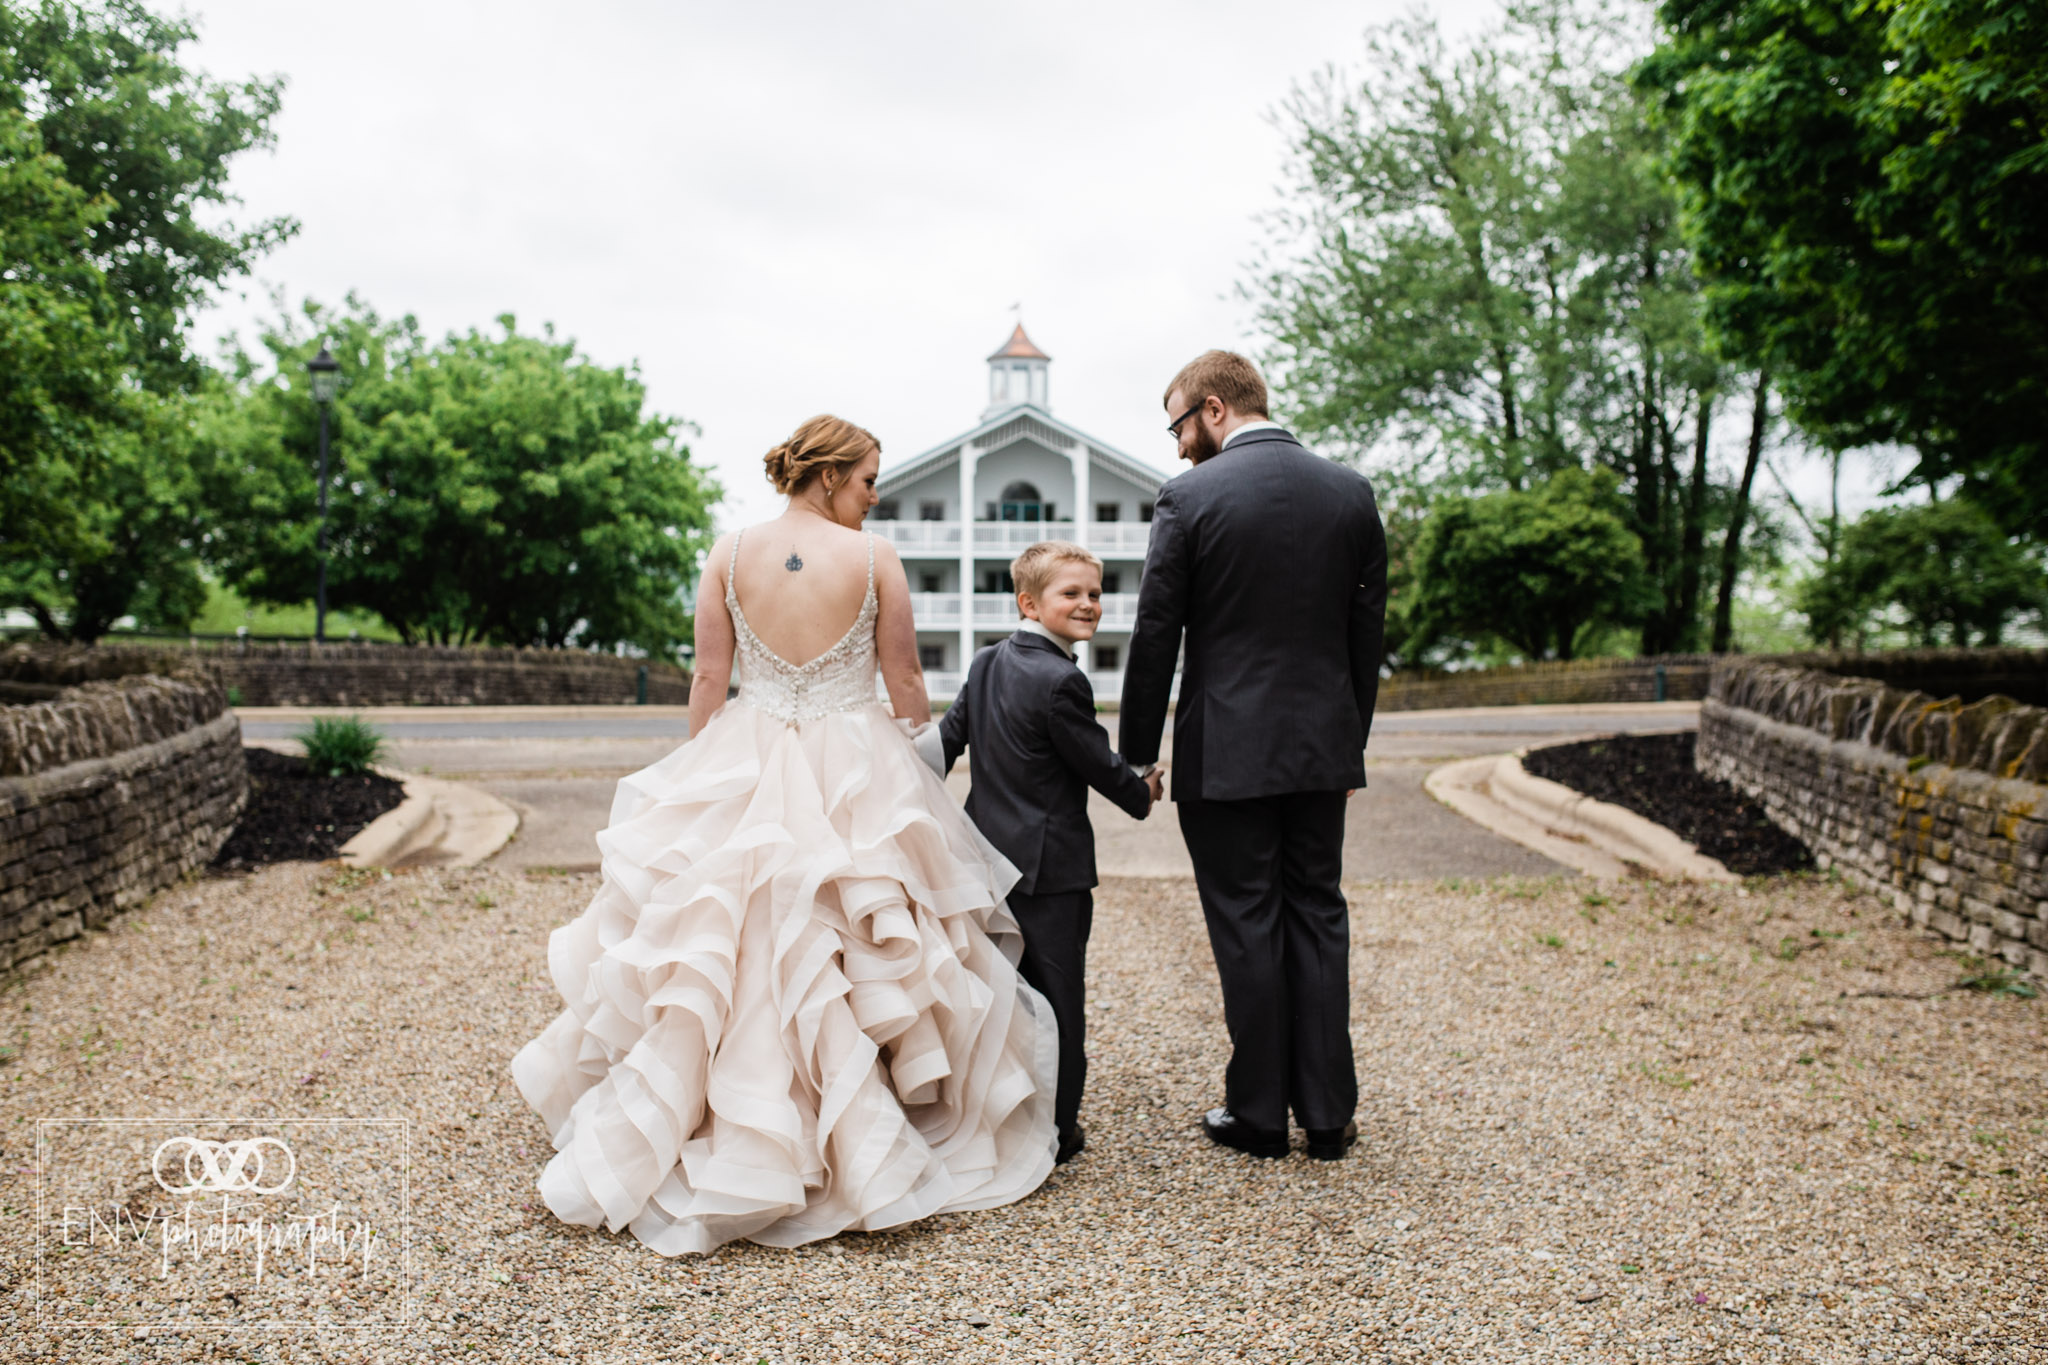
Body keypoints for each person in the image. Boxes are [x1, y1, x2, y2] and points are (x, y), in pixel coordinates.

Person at [510, 415, 1060, 1256]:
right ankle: (864, 1131)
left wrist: (701, 779)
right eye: (870, 480)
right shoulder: (873, 559)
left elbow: (707, 675)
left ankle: (721, 1119)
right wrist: (917, 773)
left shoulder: (729, 552)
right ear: (832, 474)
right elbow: (904, 677)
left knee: (737, 936)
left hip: (749, 748)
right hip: (854, 756)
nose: (875, 498)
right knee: (860, 930)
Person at [1118, 350, 1388, 1161]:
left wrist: (1137, 751)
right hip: (1319, 751)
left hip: (1225, 751)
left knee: (1246, 923)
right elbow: (1363, 636)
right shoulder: (1351, 492)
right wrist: (1349, 747)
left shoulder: (1189, 497)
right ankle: (1330, 1114)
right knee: (1318, 914)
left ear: (1212, 407)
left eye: (1178, 425)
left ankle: (1261, 1114)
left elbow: (1156, 631)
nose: (1176, 447)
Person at [937, 541, 1162, 1166]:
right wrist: (1141, 789)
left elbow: (948, 742)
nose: (1089, 604)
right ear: (1029, 602)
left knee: (998, 995)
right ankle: (1059, 1131)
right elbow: (1095, 762)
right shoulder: (1064, 678)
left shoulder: (986, 662)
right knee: (1060, 1001)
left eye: (1094, 593)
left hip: (984, 859)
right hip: (1051, 872)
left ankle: (995, 1115)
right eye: (1073, 593)